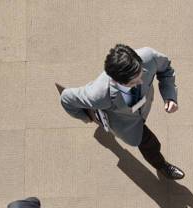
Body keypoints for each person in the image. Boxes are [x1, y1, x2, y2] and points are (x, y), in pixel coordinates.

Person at [58, 44, 184, 180]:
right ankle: (161, 165)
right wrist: (85, 117)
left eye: (140, 74)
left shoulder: (149, 57)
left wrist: (170, 96)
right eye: (132, 83)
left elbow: (166, 70)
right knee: (151, 144)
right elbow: (66, 98)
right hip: (126, 125)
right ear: (115, 81)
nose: (140, 82)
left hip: (142, 109)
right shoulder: (98, 95)